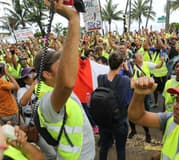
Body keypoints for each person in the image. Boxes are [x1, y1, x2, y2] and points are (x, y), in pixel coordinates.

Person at [33, 0, 95, 159]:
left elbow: (67, 54)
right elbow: (67, 84)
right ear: (46, 74)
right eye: (58, 62)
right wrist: (73, 19)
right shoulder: (46, 101)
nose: (64, 64)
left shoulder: (52, 88)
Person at [16, 67, 56, 160]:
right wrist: (33, 85)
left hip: (45, 122)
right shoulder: (22, 90)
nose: (34, 76)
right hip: (32, 124)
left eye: (35, 74)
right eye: (31, 75)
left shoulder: (42, 87)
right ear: (25, 80)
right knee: (51, 154)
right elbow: (22, 102)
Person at [99, 52, 132, 160]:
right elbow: (131, 83)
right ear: (121, 64)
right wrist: (127, 70)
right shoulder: (125, 80)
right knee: (120, 149)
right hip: (120, 120)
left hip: (104, 120)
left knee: (104, 147)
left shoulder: (100, 78)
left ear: (108, 63)